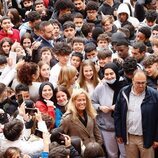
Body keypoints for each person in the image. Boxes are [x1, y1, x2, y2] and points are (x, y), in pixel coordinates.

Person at [114, 69, 158, 158]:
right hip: (129, 137)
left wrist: (156, 138)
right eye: (138, 83)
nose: (141, 85)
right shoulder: (123, 92)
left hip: (146, 138)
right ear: (132, 80)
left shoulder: (154, 95)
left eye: (143, 82)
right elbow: (117, 114)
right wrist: (118, 133)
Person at [92, 62, 126, 158]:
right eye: (106, 74)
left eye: (111, 73)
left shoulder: (124, 86)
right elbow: (91, 103)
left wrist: (118, 106)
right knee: (112, 154)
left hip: (122, 127)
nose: (109, 76)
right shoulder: (100, 87)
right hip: (107, 127)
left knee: (125, 154)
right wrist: (100, 107)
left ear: (116, 73)